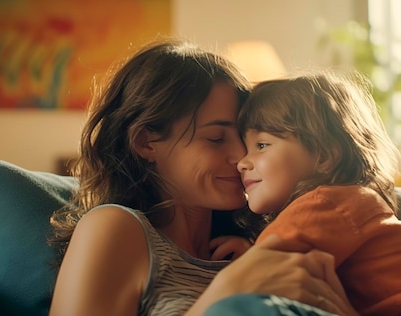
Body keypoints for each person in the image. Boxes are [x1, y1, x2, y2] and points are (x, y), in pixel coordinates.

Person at [47, 39, 356, 316]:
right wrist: (230, 288)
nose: (242, 157)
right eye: (216, 139)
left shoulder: (259, 242)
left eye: (248, 140)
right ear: (146, 142)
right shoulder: (116, 229)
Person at [235, 70, 401, 315]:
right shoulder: (350, 201)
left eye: (261, 145)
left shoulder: (324, 203)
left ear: (325, 156)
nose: (242, 162)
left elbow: (258, 276)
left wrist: (241, 261)